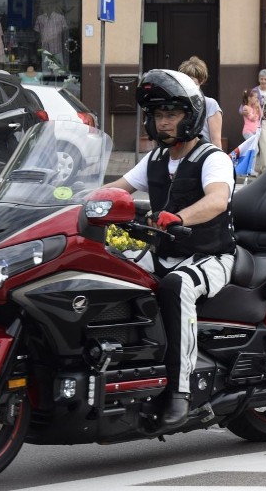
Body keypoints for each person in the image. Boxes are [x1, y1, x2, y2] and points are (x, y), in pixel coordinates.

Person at [103, 69, 236, 427]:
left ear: (190, 116)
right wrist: (70, 201)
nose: (164, 123)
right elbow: (118, 188)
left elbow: (218, 200)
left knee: (178, 286)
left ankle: (181, 394)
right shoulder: (156, 160)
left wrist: (178, 218)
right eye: (159, 115)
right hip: (165, 254)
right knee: (113, 275)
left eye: (172, 115)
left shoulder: (212, 158)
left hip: (211, 255)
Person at [179, 56, 223, 149]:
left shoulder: (210, 104)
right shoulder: (179, 104)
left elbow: (216, 142)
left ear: (201, 81)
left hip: (205, 156)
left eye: (193, 83)